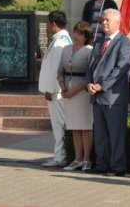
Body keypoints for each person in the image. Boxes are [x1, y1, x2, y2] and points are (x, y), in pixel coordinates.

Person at [86, 8, 130, 176]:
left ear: (117, 22)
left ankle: (117, 167)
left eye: (107, 20)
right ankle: (101, 164)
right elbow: (90, 66)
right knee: (100, 134)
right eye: (102, 20)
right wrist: (89, 83)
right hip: (96, 96)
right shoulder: (98, 42)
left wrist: (102, 86)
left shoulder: (125, 43)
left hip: (113, 97)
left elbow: (120, 70)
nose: (104, 23)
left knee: (115, 134)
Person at [57, 21, 94, 171]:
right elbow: (59, 70)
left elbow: (89, 76)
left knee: (85, 126)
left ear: (87, 36)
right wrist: (63, 86)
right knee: (74, 127)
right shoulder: (66, 49)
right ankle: (77, 158)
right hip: (67, 91)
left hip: (82, 93)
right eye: (75, 32)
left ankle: (87, 159)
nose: (76, 36)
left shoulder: (90, 51)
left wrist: (74, 90)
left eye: (81, 34)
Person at [39, 11, 72, 167]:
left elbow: (57, 70)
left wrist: (50, 89)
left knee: (59, 125)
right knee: (59, 124)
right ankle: (61, 154)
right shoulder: (61, 39)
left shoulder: (60, 43)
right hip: (57, 90)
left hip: (57, 92)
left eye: (48, 24)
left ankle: (60, 156)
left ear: (53, 24)